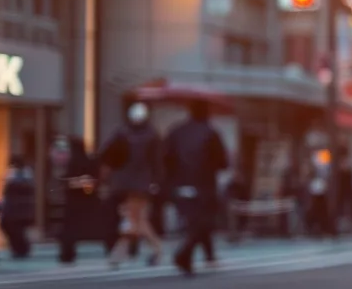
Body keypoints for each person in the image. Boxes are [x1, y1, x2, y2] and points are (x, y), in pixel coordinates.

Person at [163, 100, 229, 275]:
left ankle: (208, 255)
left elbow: (165, 158)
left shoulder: (175, 131)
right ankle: (184, 254)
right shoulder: (211, 133)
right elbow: (223, 162)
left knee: (195, 221)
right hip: (203, 185)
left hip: (178, 183)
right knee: (202, 222)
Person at [100, 101, 164, 267]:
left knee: (134, 219)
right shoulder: (152, 135)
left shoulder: (121, 133)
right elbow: (157, 162)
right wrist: (157, 181)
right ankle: (154, 249)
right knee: (138, 219)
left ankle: (119, 253)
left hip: (123, 181)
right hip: (142, 183)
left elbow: (106, 154)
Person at [54, 136, 102, 265]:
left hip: (73, 200)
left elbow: (67, 181)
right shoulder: (89, 161)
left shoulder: (73, 163)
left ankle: (67, 254)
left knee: (69, 229)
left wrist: (74, 183)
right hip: (86, 200)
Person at [0, 156, 38, 260]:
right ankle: (19, 249)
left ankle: (21, 249)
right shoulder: (20, 174)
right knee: (14, 229)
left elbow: (21, 189)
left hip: (18, 210)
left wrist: (10, 180)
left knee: (16, 230)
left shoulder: (22, 174)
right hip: (16, 209)